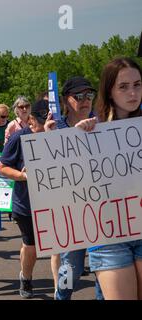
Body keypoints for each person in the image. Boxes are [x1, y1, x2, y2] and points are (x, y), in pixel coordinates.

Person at [75, 57, 142, 300]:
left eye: (138, 84)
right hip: (108, 235)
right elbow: (73, 184)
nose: (133, 93)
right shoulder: (92, 130)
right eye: (123, 87)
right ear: (110, 92)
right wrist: (73, 140)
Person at [45, 76, 103, 300]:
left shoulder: (103, 125)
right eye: (78, 96)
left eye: (89, 95)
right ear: (65, 101)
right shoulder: (54, 128)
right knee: (71, 268)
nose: (85, 100)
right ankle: (62, 296)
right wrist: (47, 139)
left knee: (104, 266)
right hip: (71, 211)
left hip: (101, 208)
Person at [0, 100, 50, 299]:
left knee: (58, 246)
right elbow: (2, 167)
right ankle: (26, 278)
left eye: (49, 121)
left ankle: (62, 286)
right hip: (25, 202)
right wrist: (22, 176)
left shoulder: (58, 136)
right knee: (32, 245)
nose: (45, 126)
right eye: (41, 121)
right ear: (31, 120)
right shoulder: (18, 138)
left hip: (53, 201)